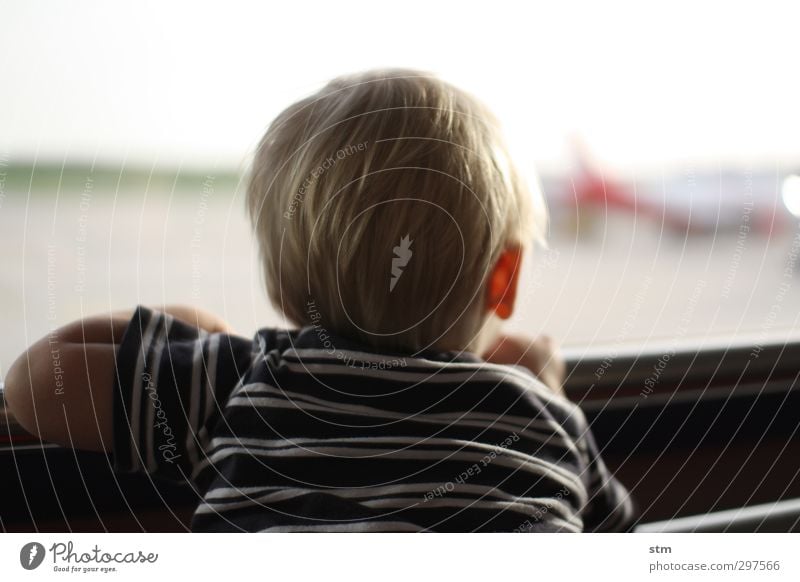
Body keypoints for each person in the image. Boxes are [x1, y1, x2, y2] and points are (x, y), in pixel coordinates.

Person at [5, 69, 635, 532]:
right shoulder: (547, 424)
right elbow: (617, 537)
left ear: (281, 282)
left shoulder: (246, 385)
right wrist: (544, 391)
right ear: (505, 280)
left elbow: (36, 382)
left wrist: (191, 328)